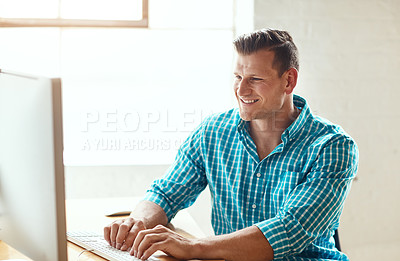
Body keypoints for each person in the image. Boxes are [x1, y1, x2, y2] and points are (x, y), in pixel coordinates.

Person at [104, 28, 358, 261]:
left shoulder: (332, 147)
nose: (241, 89)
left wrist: (193, 247)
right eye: (237, 76)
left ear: (289, 81)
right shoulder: (213, 132)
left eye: (255, 79)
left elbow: (290, 230)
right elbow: (167, 193)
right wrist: (136, 224)